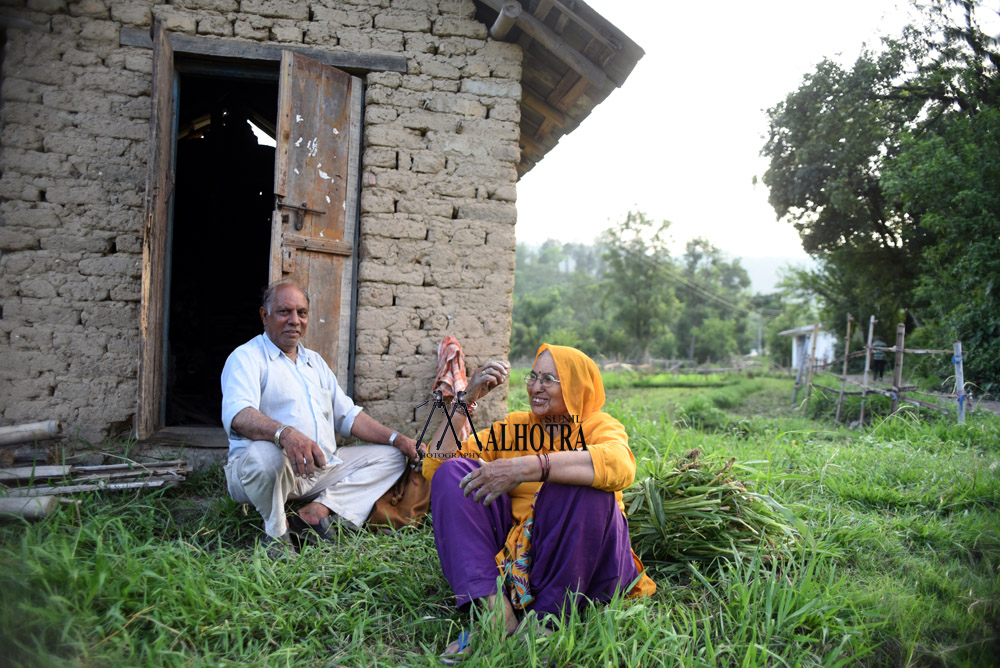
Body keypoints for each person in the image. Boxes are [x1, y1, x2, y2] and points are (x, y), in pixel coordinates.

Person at [422, 344, 656, 662]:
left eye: (549, 378)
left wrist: (526, 467)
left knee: (581, 481)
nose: (535, 386)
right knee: (453, 475)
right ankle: (497, 616)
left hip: (586, 565)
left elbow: (620, 466)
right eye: (533, 376)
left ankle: (544, 625)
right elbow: (435, 466)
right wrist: (467, 400)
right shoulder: (517, 429)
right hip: (525, 560)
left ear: (576, 387)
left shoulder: (599, 427)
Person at [221, 280, 418, 555]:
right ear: (264, 316)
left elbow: (348, 417)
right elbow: (240, 415)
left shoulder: (314, 362)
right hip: (266, 474)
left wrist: (397, 439)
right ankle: (277, 535)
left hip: (318, 470)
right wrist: (286, 434)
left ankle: (316, 511)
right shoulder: (246, 358)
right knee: (265, 455)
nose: (295, 321)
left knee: (392, 457)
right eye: (284, 312)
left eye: (301, 313)